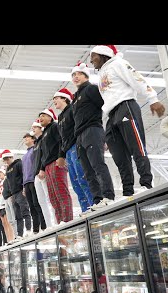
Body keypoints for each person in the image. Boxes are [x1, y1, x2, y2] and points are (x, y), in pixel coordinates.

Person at [90, 45, 166, 197]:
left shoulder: (118, 64)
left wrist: (153, 98)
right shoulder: (102, 74)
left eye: (93, 56)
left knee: (137, 147)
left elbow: (137, 79)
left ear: (103, 53)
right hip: (112, 114)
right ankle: (128, 191)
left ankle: (146, 183)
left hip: (126, 106)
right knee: (119, 157)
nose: (91, 60)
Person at [70, 63, 116, 211]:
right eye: (73, 75)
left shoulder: (91, 88)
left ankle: (108, 196)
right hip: (79, 136)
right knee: (87, 172)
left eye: (78, 74)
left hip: (93, 130)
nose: (75, 77)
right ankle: (97, 200)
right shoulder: (75, 98)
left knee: (98, 165)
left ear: (86, 75)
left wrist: (106, 133)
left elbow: (105, 106)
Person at [53, 88, 94, 213]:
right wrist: (61, 155)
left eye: (56, 98)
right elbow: (61, 138)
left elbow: (79, 126)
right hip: (68, 151)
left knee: (83, 177)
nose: (54, 101)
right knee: (75, 183)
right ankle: (85, 209)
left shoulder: (72, 109)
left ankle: (93, 204)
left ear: (65, 98)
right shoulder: (60, 117)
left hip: (77, 146)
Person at [38, 108, 73, 224]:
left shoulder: (54, 126)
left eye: (43, 115)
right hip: (48, 166)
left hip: (56, 162)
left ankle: (67, 220)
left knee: (61, 192)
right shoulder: (43, 134)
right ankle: (59, 222)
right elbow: (43, 154)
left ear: (50, 117)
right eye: (40, 116)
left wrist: (61, 156)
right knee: (53, 197)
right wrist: (42, 168)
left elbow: (61, 141)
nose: (40, 118)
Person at [1, 149, 32, 239]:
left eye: (7, 159)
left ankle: (29, 230)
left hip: (20, 191)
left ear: (11, 157)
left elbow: (23, 175)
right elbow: (9, 183)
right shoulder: (7, 170)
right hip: (13, 194)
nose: (6, 161)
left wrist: (24, 188)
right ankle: (19, 235)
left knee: (25, 211)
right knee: (18, 216)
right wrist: (11, 194)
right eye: (5, 160)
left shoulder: (19, 164)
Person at [31, 121, 56, 228]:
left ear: (40, 128)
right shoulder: (36, 143)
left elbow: (44, 156)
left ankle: (55, 222)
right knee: (41, 201)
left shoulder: (43, 140)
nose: (33, 129)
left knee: (49, 197)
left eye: (35, 127)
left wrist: (42, 168)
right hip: (37, 174)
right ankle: (49, 225)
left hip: (43, 171)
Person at [22, 132, 46, 234]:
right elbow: (24, 171)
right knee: (31, 206)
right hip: (26, 182)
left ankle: (44, 226)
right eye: (25, 138)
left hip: (33, 179)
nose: (25, 140)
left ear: (33, 139)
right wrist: (23, 186)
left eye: (27, 138)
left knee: (37, 204)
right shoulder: (24, 156)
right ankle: (36, 228)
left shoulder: (34, 151)